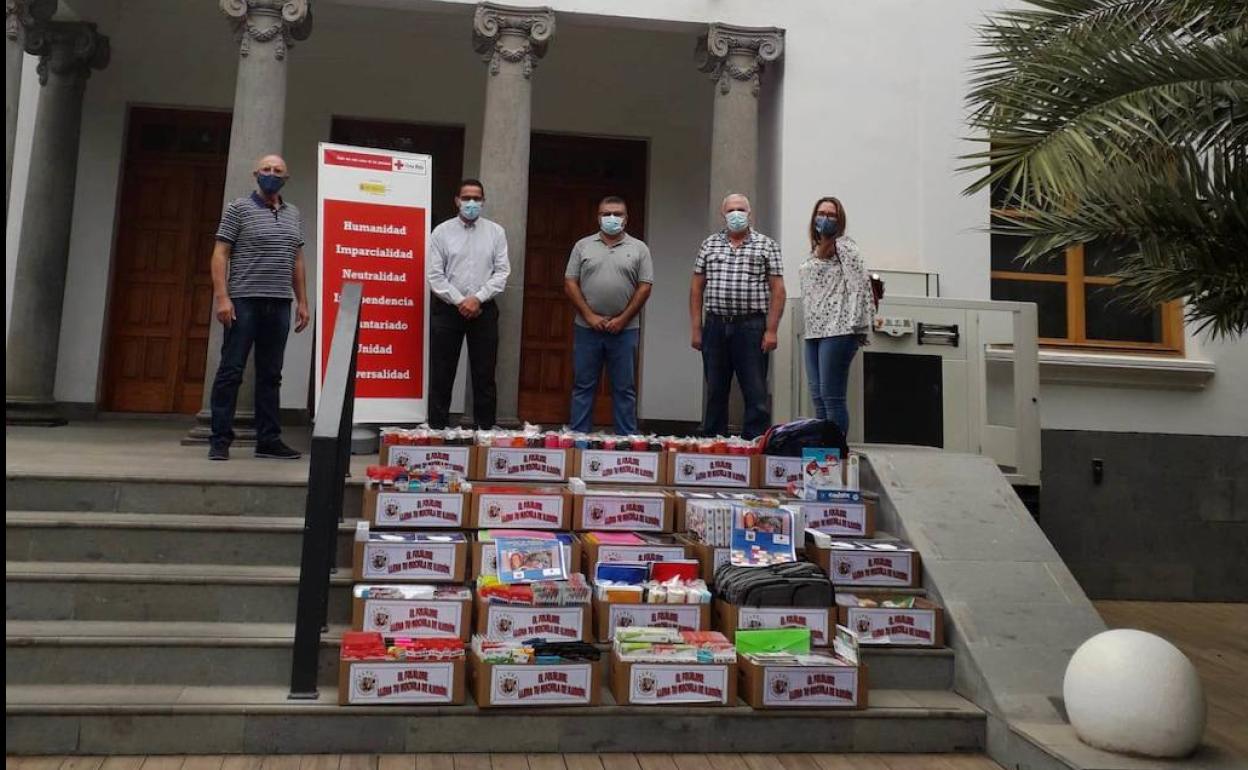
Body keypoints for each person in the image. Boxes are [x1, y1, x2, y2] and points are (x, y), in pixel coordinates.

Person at [208, 154, 310, 461]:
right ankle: (220, 440)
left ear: (286, 177)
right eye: (266, 169)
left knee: (271, 374)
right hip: (243, 301)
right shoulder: (238, 209)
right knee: (231, 371)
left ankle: (268, 440)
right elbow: (220, 254)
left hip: (279, 303)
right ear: (255, 174)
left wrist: (302, 301)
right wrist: (222, 297)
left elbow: (297, 259)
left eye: (278, 170)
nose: (271, 174)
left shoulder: (293, 213)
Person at [689, 193, 786, 439]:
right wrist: (696, 328)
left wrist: (771, 330)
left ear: (749, 213)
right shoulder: (709, 244)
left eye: (741, 209)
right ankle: (713, 444)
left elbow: (778, 290)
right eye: (731, 210)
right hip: (715, 326)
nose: (736, 214)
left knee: (755, 392)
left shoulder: (767, 245)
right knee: (715, 391)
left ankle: (753, 446)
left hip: (752, 326)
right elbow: (696, 287)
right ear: (723, 214)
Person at [564, 196, 654, 434]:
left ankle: (626, 442)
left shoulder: (639, 248)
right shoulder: (583, 246)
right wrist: (590, 316)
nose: (612, 218)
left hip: (625, 330)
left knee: (624, 388)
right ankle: (579, 438)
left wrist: (622, 319)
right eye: (606, 214)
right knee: (583, 385)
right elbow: (570, 282)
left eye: (617, 214)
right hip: (587, 328)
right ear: (598, 217)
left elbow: (645, 286)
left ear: (626, 218)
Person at [426, 178, 510, 429]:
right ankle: (437, 429)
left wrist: (477, 298)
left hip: (483, 310)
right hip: (448, 309)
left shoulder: (496, 232)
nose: (471, 203)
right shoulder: (441, 232)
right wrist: (461, 300)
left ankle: (485, 431)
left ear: (483, 202)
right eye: (466, 198)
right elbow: (435, 275)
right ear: (457, 201)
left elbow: (502, 272)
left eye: (476, 198)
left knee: (484, 375)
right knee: (442, 372)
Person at [799, 196, 874, 434]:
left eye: (831, 215)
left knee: (832, 398)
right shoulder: (814, 251)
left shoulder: (845, 247)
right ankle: (823, 456)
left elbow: (859, 287)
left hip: (839, 330)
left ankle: (836, 455)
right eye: (821, 213)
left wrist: (860, 326)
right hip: (815, 332)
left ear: (840, 220)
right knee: (818, 398)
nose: (826, 218)